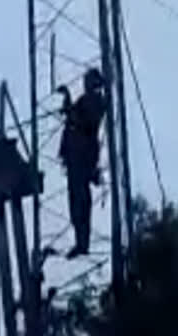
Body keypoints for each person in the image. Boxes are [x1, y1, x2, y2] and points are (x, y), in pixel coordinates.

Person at [57, 67, 106, 260]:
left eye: (87, 81)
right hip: (74, 157)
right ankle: (80, 242)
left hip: (83, 157)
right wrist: (67, 98)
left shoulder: (96, 101)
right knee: (75, 202)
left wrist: (70, 108)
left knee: (81, 202)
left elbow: (84, 122)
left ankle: (82, 243)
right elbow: (72, 115)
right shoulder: (86, 100)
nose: (84, 84)